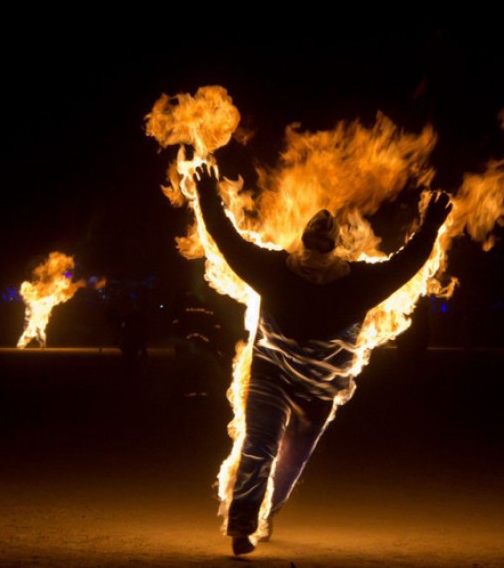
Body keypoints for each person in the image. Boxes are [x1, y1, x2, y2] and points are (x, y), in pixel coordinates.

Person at [193, 164, 452, 556]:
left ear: (325, 247)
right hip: (274, 377)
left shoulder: (341, 281)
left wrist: (209, 199)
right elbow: (226, 240)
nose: (313, 264)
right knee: (260, 447)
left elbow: (226, 238)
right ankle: (244, 525)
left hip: (316, 393)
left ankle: (262, 514)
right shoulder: (295, 273)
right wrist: (430, 225)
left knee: (284, 465)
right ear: (309, 245)